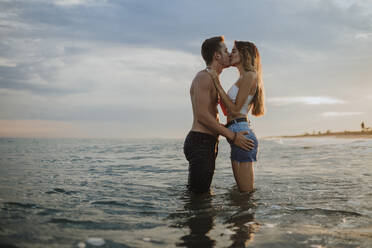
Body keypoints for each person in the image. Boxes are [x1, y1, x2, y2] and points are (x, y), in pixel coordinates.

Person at [183, 36, 254, 194]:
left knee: (202, 193)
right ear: (217, 56)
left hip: (207, 141)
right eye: (226, 51)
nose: (229, 54)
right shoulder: (203, 77)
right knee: (198, 197)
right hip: (200, 141)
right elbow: (203, 117)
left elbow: (226, 111)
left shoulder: (213, 79)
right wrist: (233, 136)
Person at [207, 40, 265, 192]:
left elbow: (235, 109)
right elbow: (228, 112)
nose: (231, 54)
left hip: (242, 133)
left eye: (234, 51)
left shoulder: (250, 75)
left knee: (246, 194)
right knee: (240, 193)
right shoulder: (242, 77)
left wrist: (216, 81)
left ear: (244, 54)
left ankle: (250, 216)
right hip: (236, 131)